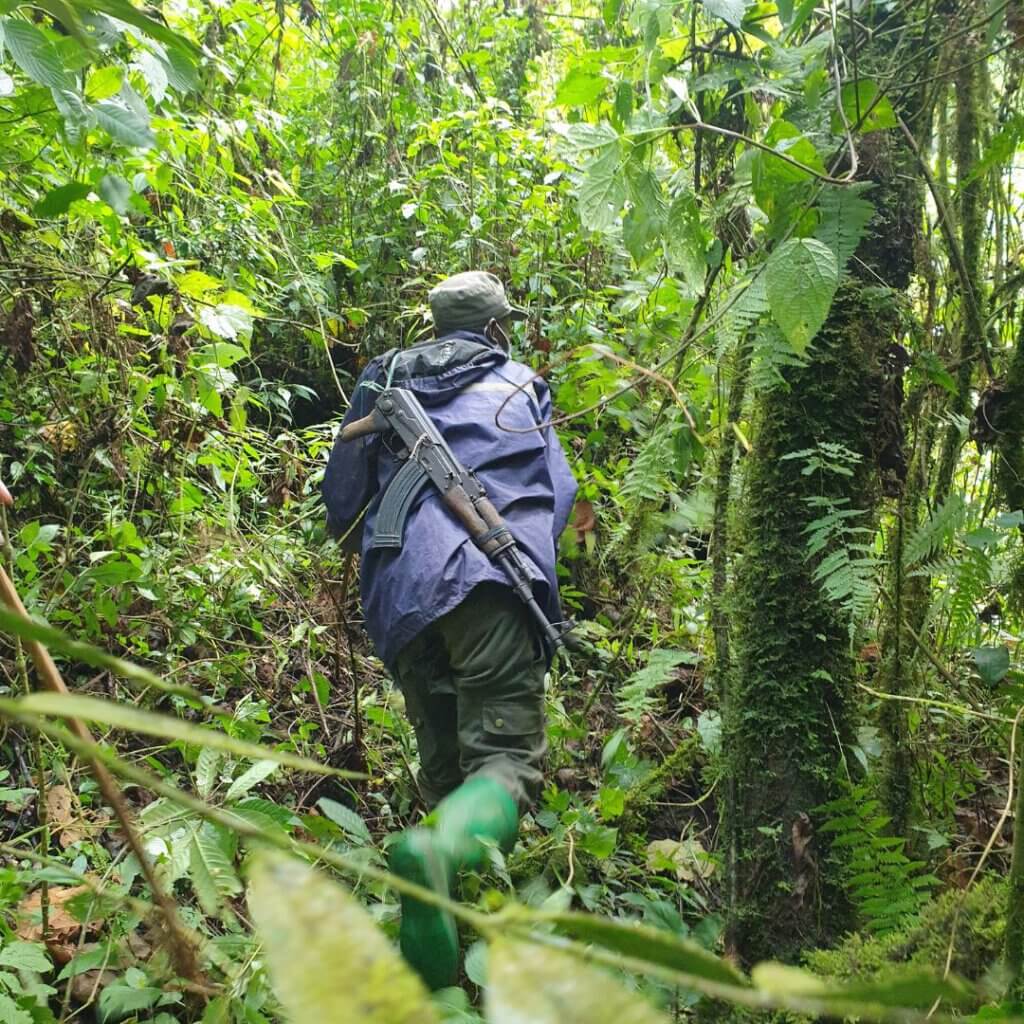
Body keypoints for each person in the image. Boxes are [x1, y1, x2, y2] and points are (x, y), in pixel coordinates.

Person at [321, 270, 577, 989]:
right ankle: (433, 860)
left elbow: (341, 504)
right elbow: (554, 496)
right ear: (498, 327)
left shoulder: (381, 377)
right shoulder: (521, 383)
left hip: (400, 589)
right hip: (489, 582)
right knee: (502, 763)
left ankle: (435, 989)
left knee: (445, 775)